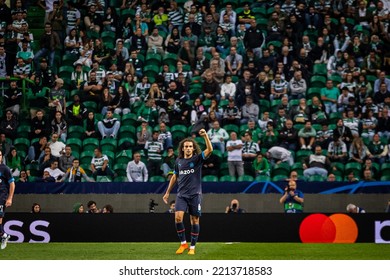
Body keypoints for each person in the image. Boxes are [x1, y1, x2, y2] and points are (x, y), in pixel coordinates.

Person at [162, 128, 213, 255]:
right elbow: (174, 176)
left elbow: (210, 150)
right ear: (183, 149)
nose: (189, 148)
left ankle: (192, 247)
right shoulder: (178, 161)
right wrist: (167, 192)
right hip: (181, 195)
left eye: (191, 146)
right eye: (186, 146)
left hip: (195, 195)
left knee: (194, 220)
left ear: (193, 148)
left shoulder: (197, 159)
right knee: (178, 218)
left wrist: (205, 136)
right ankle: (183, 244)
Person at [0, 151, 15, 250]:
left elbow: (12, 184)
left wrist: (10, 198)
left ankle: (3, 235)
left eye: (0, 155)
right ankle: (3, 235)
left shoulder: (5, 169)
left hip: (1, 197)